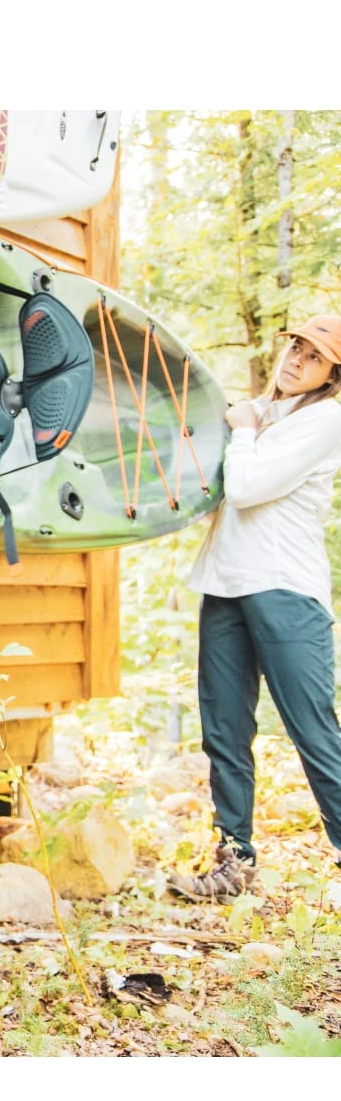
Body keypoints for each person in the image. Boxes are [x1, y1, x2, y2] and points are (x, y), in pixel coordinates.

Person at [171, 315, 341, 899]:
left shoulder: (326, 419)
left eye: (313, 357)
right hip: (225, 583)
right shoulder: (262, 413)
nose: (296, 360)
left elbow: (245, 489)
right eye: (295, 347)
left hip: (284, 588)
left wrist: (242, 430)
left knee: (313, 731)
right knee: (223, 729)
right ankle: (233, 862)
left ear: (332, 376)